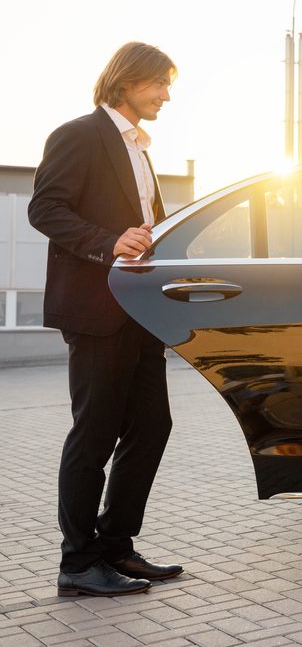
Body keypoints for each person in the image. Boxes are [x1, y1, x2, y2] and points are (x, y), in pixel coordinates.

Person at [28, 42, 184, 597]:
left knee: (151, 426)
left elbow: (148, 225)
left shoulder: (141, 148)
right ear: (127, 81)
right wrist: (108, 242)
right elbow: (44, 208)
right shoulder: (79, 134)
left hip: (140, 311)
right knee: (94, 434)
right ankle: (77, 564)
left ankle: (116, 546)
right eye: (159, 84)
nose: (167, 95)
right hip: (95, 310)